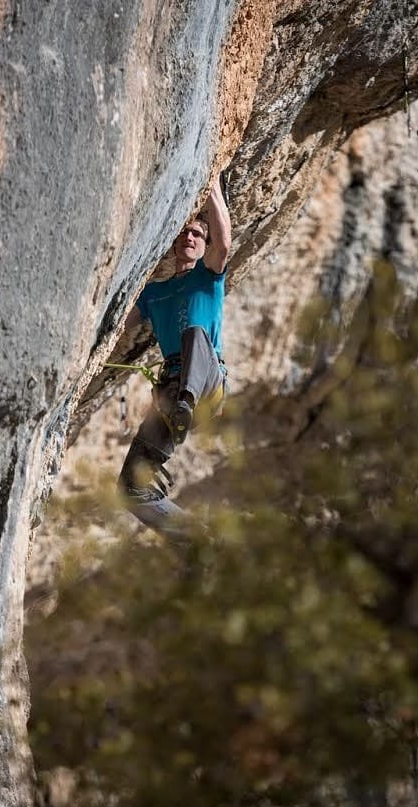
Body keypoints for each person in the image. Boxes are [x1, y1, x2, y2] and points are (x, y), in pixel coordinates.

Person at [118, 174, 232, 540]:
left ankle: (186, 401)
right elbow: (117, 329)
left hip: (205, 382)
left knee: (194, 335)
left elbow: (225, 242)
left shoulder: (209, 277)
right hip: (171, 392)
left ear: (204, 245)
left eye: (198, 234)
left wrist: (213, 184)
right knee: (131, 489)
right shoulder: (154, 293)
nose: (190, 237)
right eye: (184, 232)